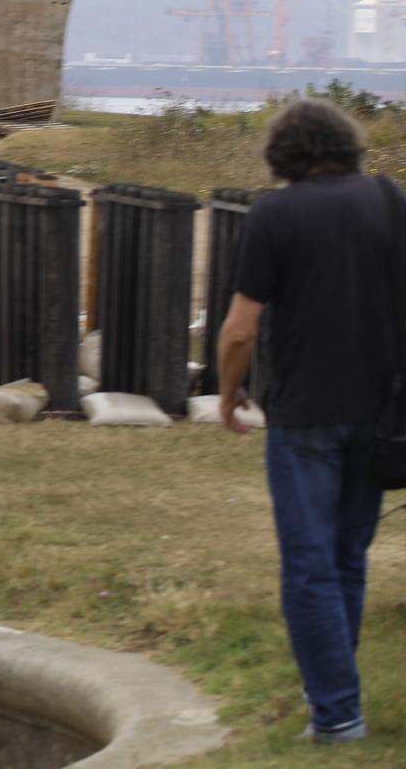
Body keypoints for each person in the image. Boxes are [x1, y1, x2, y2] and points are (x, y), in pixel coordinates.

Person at [218, 98, 399, 744]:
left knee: (308, 562)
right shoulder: (389, 199)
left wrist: (228, 392)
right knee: (348, 555)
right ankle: (333, 684)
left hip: (304, 413)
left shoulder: (274, 213)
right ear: (348, 146)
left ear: (283, 155)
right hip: (380, 413)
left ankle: (336, 712)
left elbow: (241, 328)